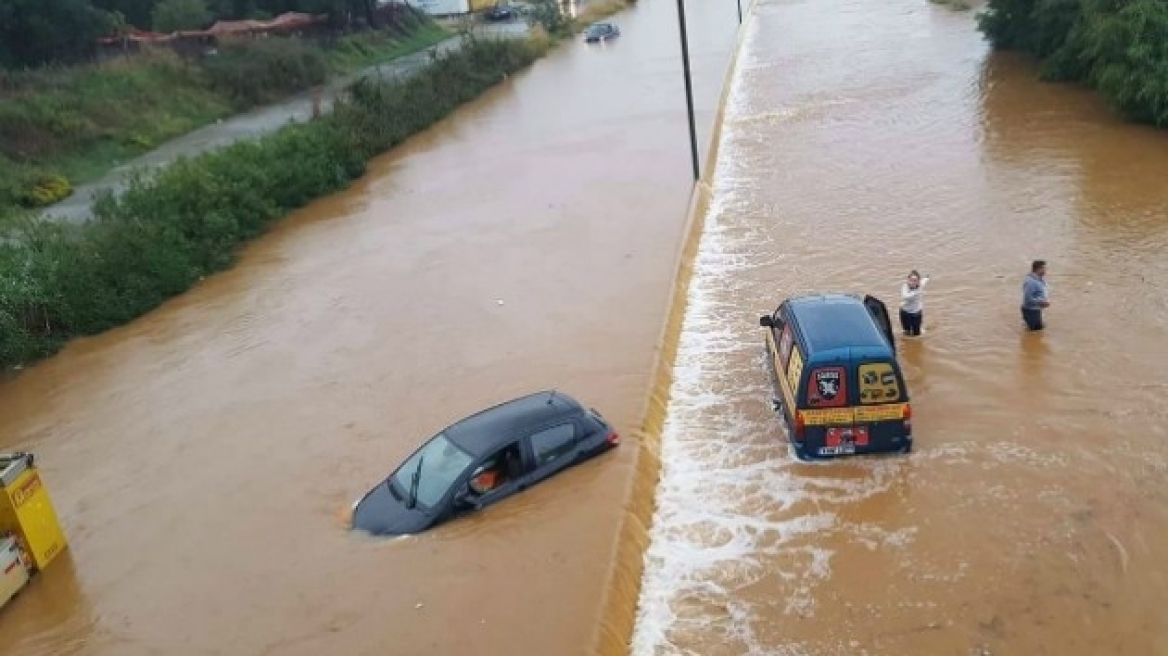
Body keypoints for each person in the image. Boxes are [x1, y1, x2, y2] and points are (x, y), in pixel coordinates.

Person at [1021, 259, 1050, 331]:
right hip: (1031, 311)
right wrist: (1041, 302)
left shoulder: (1039, 279)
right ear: (1038, 269)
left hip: (1036, 309)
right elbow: (1028, 298)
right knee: (1035, 331)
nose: (1046, 270)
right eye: (1044, 268)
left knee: (1038, 330)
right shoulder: (1031, 282)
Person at [899, 270, 929, 336]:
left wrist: (927, 277)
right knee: (906, 332)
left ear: (918, 281)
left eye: (915, 280)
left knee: (917, 334)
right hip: (905, 312)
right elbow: (905, 296)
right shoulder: (904, 286)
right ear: (908, 280)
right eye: (911, 280)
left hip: (916, 314)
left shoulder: (921, 284)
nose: (913, 282)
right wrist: (916, 292)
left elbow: (924, 280)